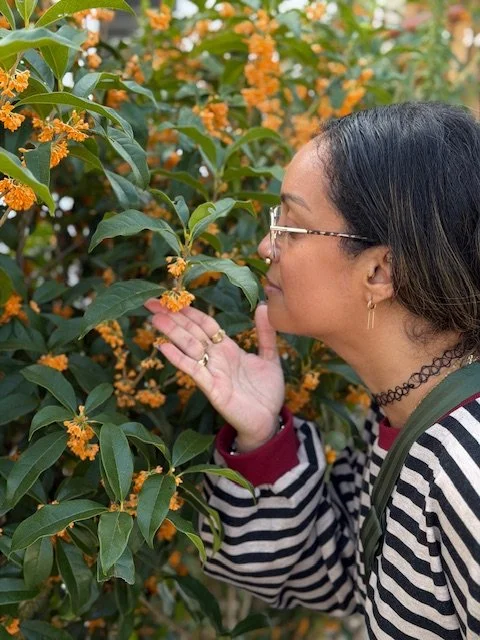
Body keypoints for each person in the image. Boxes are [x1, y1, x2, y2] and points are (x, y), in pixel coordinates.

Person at [145, 102, 480, 639]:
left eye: (290, 226)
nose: (263, 246)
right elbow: (342, 574)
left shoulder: (467, 469)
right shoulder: (399, 417)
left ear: (379, 270)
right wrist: (263, 437)